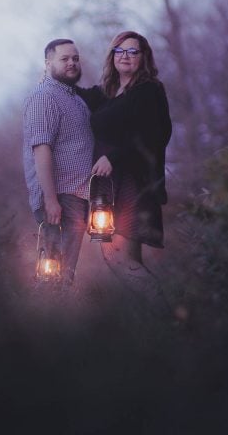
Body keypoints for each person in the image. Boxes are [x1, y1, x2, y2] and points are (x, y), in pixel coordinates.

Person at [89, 30, 172, 268]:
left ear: (143, 57)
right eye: (120, 50)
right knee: (119, 259)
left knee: (122, 260)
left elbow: (155, 135)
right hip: (109, 186)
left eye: (132, 51)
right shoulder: (110, 94)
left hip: (134, 183)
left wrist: (113, 157)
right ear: (112, 56)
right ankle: (155, 306)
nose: (125, 56)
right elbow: (79, 95)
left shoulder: (149, 90)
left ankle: (166, 306)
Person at [22, 38, 95, 284]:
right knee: (54, 271)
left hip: (76, 195)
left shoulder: (74, 98)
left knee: (66, 269)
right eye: (64, 59)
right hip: (59, 198)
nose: (72, 63)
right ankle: (51, 318)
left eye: (75, 58)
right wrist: (51, 200)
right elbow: (41, 150)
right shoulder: (45, 97)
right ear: (48, 63)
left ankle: (59, 314)